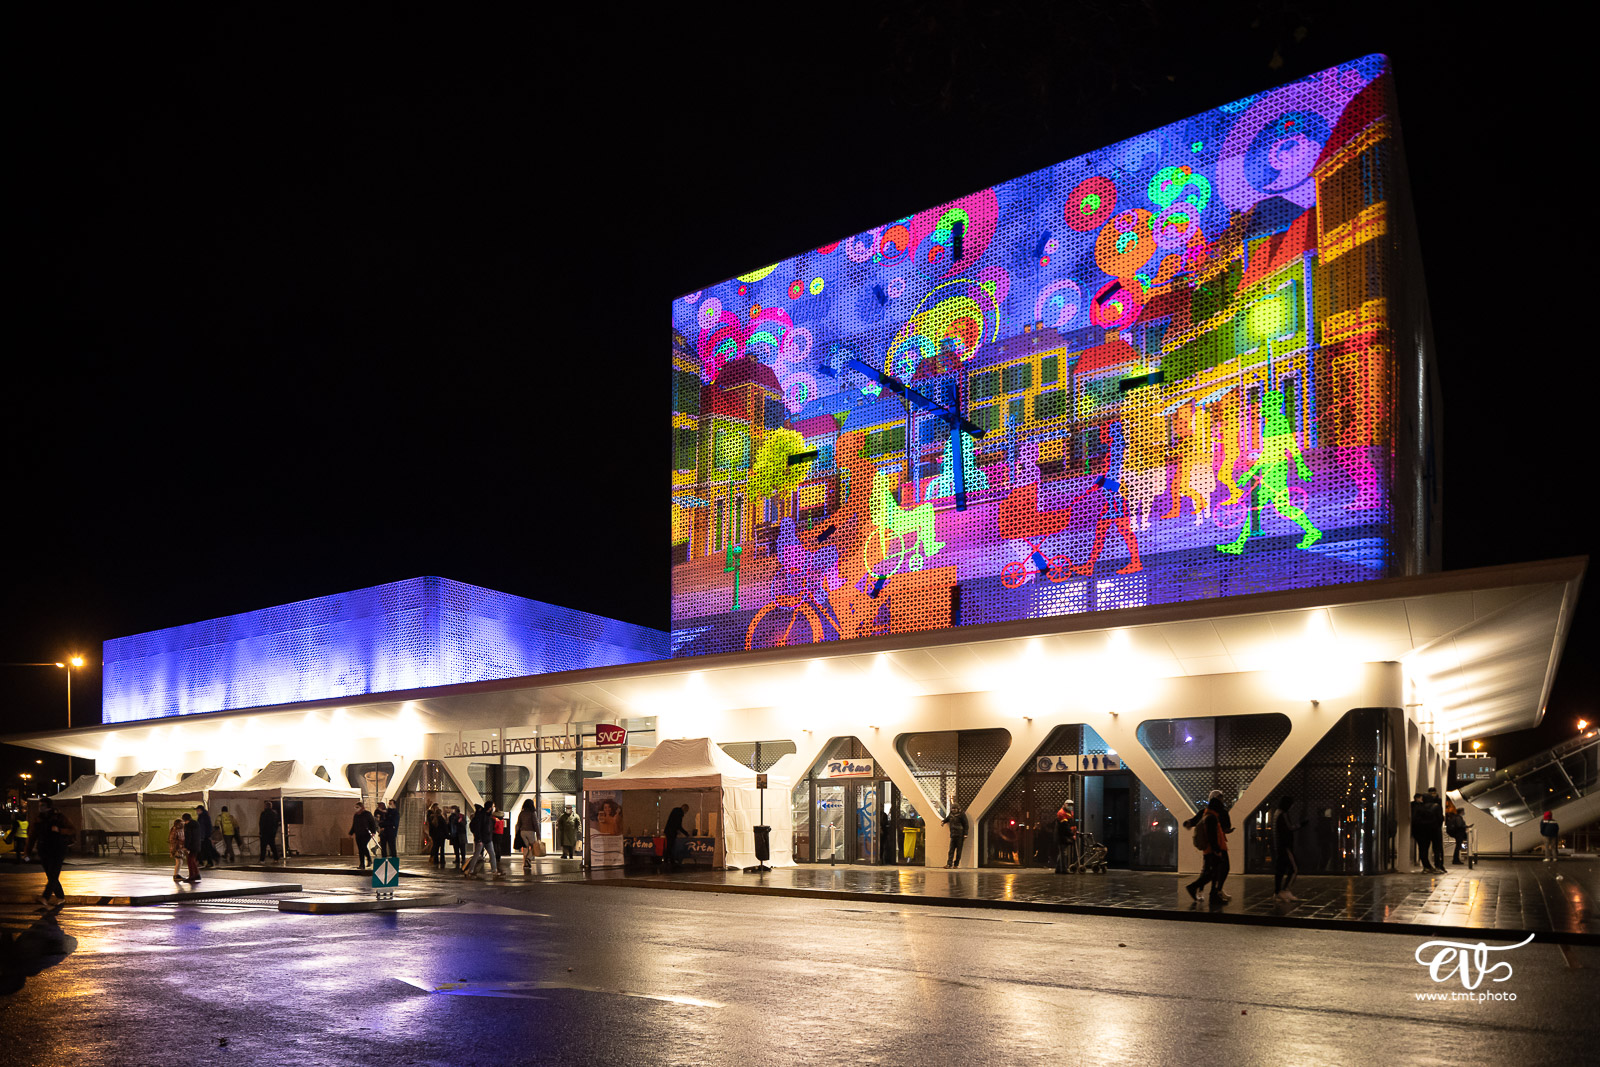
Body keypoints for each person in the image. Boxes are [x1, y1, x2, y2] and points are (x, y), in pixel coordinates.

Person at [1184, 790, 1233, 904]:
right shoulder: (1211, 816)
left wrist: (1188, 823)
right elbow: (1212, 834)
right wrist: (1217, 850)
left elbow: (1195, 821)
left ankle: (1213, 893)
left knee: (1213, 872)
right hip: (1215, 848)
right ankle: (1200, 889)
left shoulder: (1207, 813)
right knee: (1213, 872)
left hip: (1215, 847)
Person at [29, 798, 74, 904]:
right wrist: (27, 851)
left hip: (58, 848)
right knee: (51, 875)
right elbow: (32, 836)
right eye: (40, 805)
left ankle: (45, 897)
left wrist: (59, 830)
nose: (40, 808)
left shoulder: (59, 817)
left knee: (53, 874)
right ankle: (60, 897)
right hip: (44, 849)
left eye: (42, 805)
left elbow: (72, 830)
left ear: (49, 806)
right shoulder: (38, 819)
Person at [1272, 794, 1306, 902]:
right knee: (1294, 868)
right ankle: (1285, 890)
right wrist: (1301, 825)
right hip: (1285, 847)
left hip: (1279, 846)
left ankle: (1278, 892)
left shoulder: (1277, 813)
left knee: (1280, 870)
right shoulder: (1283, 815)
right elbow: (1288, 829)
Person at [1421, 790, 1446, 873]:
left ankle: (1426, 867)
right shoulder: (1436, 806)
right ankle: (1437, 866)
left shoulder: (1421, 807)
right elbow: (1440, 819)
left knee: (1424, 848)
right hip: (1435, 830)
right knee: (1437, 849)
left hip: (1424, 830)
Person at [349, 801, 377, 870]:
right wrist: (351, 832)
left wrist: (373, 831)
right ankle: (362, 863)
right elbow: (354, 825)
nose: (356, 809)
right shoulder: (356, 815)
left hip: (366, 833)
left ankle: (367, 860)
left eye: (357, 807)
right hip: (358, 834)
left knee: (363, 846)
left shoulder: (367, 814)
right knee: (360, 848)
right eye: (355, 807)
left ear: (361, 807)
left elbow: (372, 823)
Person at [664, 803, 691, 872]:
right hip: (671, 832)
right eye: (686, 811)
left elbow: (674, 823)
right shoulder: (680, 814)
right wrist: (686, 833)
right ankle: (669, 861)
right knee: (670, 846)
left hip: (668, 831)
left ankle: (668, 860)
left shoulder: (675, 810)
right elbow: (678, 825)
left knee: (669, 846)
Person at [941, 804, 968, 869]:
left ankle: (956, 864)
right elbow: (947, 819)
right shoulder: (951, 814)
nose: (953, 810)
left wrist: (965, 834)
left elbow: (966, 824)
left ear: (958, 809)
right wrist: (943, 822)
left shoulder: (962, 815)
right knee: (951, 850)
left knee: (959, 851)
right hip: (953, 835)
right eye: (952, 809)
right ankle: (949, 864)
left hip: (960, 835)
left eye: (955, 809)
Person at [1054, 803, 1078, 874]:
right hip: (1062, 836)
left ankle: (1058, 869)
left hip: (1064, 836)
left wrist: (1073, 831)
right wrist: (1071, 834)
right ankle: (1063, 869)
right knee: (1063, 853)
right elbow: (1065, 826)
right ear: (1065, 805)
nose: (1070, 807)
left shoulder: (1069, 813)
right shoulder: (1061, 813)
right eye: (1069, 805)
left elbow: (1070, 824)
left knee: (1062, 853)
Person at [516, 800, 539, 872]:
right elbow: (536, 824)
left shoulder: (521, 813)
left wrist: (517, 834)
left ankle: (525, 864)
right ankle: (528, 858)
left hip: (522, 832)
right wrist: (538, 836)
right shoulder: (532, 813)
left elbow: (518, 824)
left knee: (525, 848)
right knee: (533, 847)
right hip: (530, 832)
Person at [1408, 793, 1428, 872]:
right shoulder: (1420, 806)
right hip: (1419, 828)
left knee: (1419, 846)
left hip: (1414, 828)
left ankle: (1417, 861)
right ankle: (1422, 863)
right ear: (1418, 798)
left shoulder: (1411, 805)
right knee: (1422, 847)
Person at [181, 813, 202, 884]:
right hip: (197, 844)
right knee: (193, 860)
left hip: (191, 846)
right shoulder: (196, 824)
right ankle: (197, 874)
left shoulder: (188, 825)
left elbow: (188, 837)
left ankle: (192, 876)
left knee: (190, 861)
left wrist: (186, 846)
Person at [195, 804, 217, 869]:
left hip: (203, 837)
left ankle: (204, 862)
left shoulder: (202, 817)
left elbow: (202, 828)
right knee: (204, 850)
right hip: (205, 836)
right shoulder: (205, 816)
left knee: (204, 850)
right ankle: (202, 862)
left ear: (201, 810)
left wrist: (202, 836)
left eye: (198, 810)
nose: (197, 812)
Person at [426, 804, 448, 868]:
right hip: (441, 837)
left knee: (436, 848)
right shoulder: (441, 819)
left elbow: (431, 829)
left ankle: (435, 860)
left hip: (435, 836)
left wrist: (432, 835)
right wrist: (447, 835)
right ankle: (442, 860)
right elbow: (445, 828)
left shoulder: (433, 820)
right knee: (442, 849)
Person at [168, 818, 188, 883]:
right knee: (179, 861)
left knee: (180, 861)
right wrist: (175, 848)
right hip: (177, 848)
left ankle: (176, 874)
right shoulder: (175, 830)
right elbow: (173, 840)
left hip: (179, 847)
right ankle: (176, 875)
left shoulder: (180, 829)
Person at [448, 805, 467, 870]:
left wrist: (460, 822)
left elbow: (464, 824)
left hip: (461, 834)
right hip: (454, 834)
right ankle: (457, 858)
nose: (451, 811)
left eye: (452, 809)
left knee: (462, 847)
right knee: (456, 847)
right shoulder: (451, 817)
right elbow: (449, 825)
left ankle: (463, 858)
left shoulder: (461, 816)